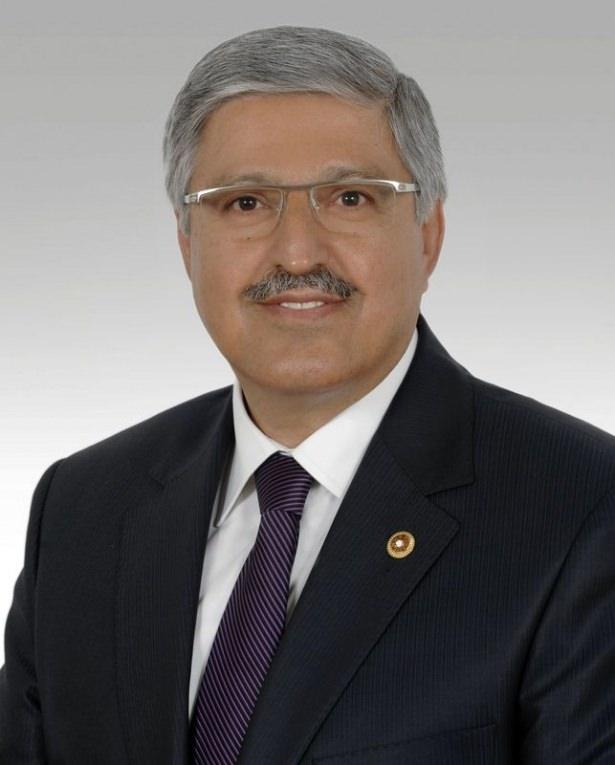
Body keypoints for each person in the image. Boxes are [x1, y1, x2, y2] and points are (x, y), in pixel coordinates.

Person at [1, 25, 614, 764]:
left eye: (350, 197)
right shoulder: (82, 509)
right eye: (244, 203)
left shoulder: (581, 506)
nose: (296, 253)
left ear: (427, 236)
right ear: (187, 244)